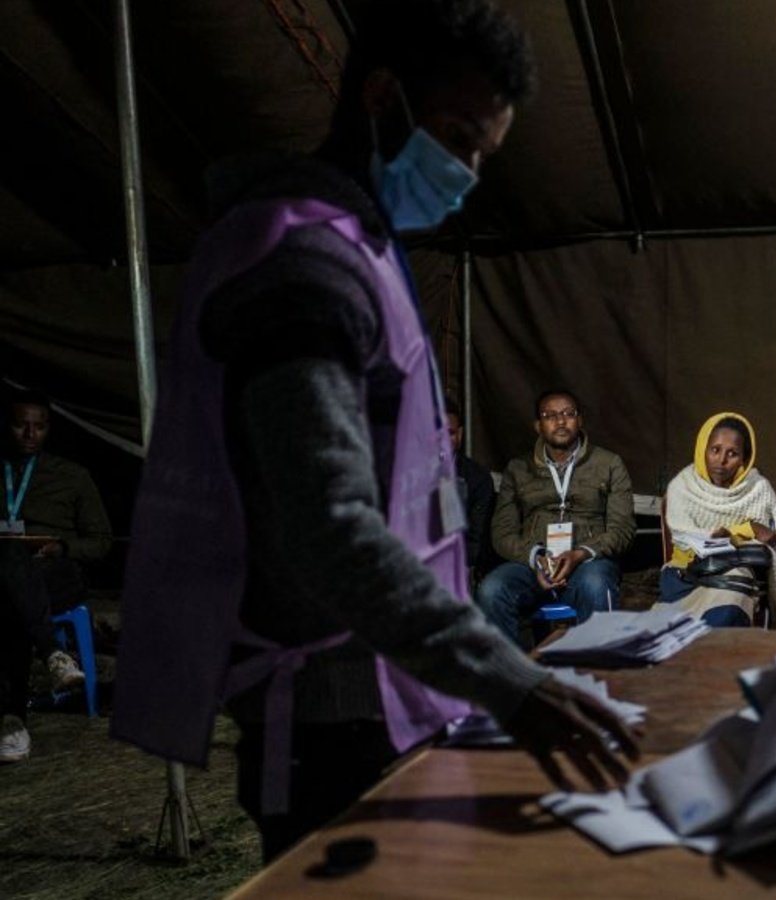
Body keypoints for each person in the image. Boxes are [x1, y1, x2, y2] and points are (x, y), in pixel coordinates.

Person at [110, 0, 636, 861]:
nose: (467, 172)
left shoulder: (363, 246)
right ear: (382, 97)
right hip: (328, 711)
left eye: (483, 153)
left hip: (390, 688)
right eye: (459, 137)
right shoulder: (300, 266)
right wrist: (513, 684)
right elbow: (332, 524)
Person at [1, 390, 110, 763]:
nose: (30, 434)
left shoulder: (73, 476)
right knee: (10, 566)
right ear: (8, 426)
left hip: (56, 572)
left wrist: (63, 547)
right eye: (20, 425)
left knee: (12, 593)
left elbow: (102, 542)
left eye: (39, 427)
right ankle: (53, 653)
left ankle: (11, 719)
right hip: (7, 574)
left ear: (49, 429)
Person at [477, 389, 634, 644]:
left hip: (586, 565)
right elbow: (502, 533)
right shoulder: (518, 469)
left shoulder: (609, 464)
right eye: (550, 415)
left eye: (568, 414)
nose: (560, 421)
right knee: (492, 590)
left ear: (580, 420)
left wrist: (580, 553)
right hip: (533, 566)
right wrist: (537, 557)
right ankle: (511, 677)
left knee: (597, 584)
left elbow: (623, 530)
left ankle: (597, 674)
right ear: (538, 426)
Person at [657, 413, 776, 626]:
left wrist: (737, 535)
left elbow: (770, 542)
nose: (721, 461)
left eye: (732, 454)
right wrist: (746, 529)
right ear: (703, 448)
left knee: (727, 613)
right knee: (670, 632)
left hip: (733, 574)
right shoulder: (682, 486)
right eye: (715, 450)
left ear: (744, 458)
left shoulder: (758, 489)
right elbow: (684, 536)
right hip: (684, 575)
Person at [445, 397, 495, 578]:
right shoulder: (407, 475)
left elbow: (477, 539)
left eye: (449, 433)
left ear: (459, 435)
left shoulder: (477, 478)